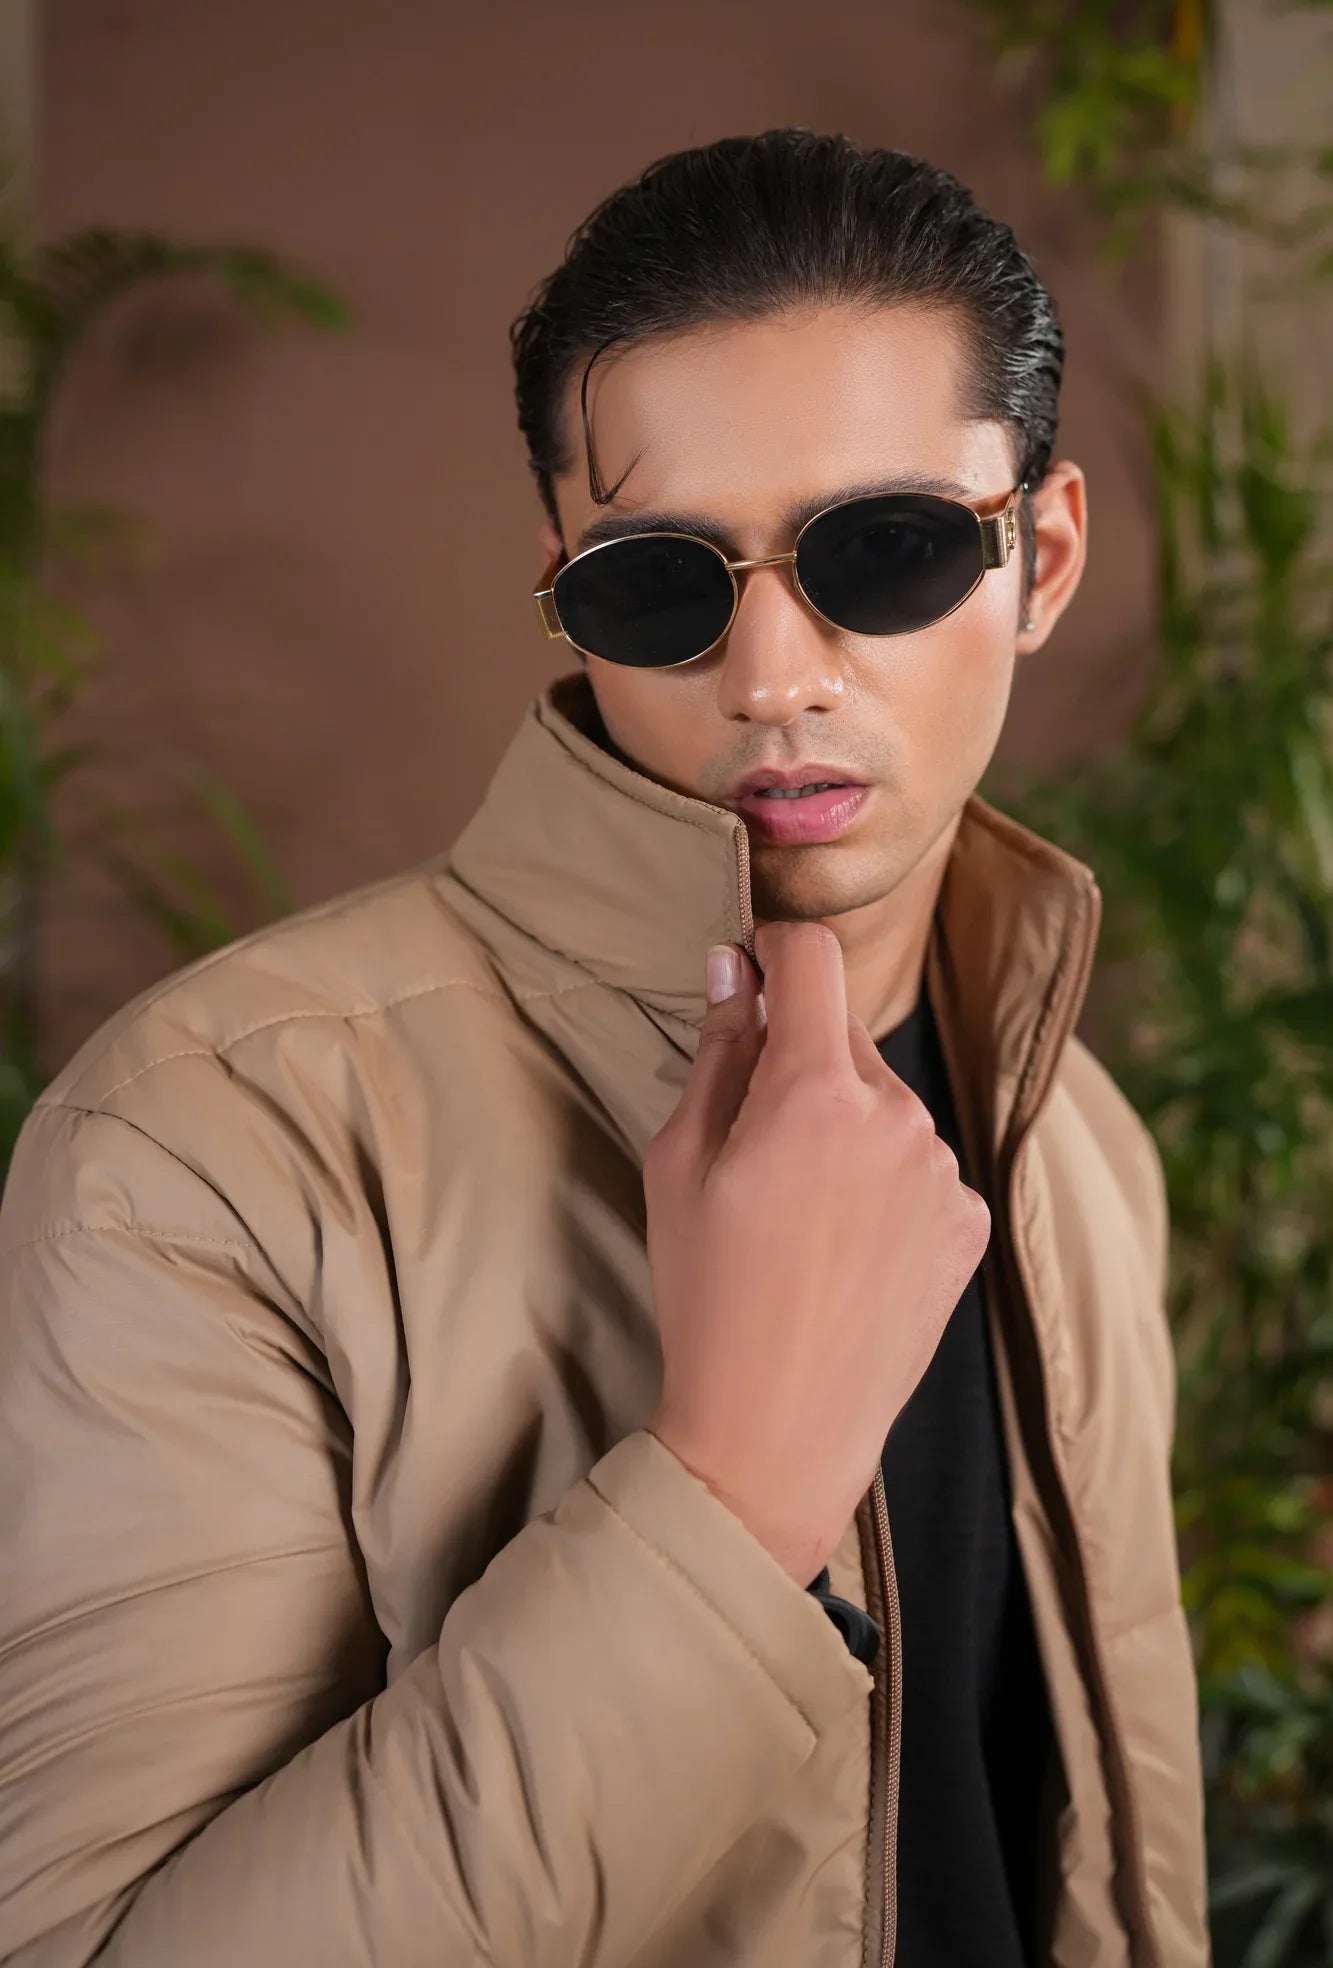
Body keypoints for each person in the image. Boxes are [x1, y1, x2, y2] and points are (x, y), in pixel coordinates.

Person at [0, 128, 1207, 1967]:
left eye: (882, 551)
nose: (773, 670)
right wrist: (730, 1489)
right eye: (664, 581)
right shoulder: (212, 1148)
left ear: (1036, 560)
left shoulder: (1082, 1153)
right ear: (564, 585)